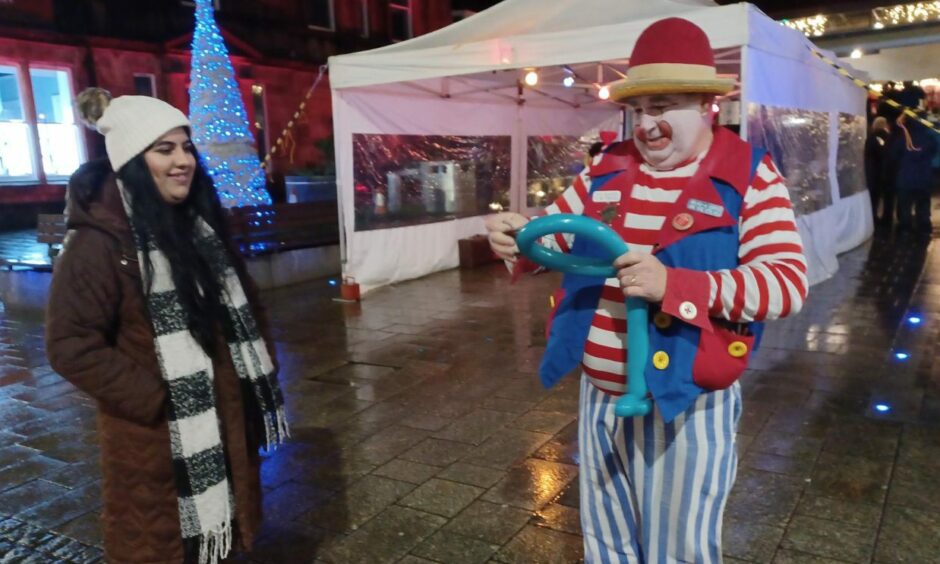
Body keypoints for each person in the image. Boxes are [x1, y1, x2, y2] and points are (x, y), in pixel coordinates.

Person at [486, 18, 808, 562]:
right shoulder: (606, 170)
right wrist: (519, 240)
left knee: (677, 548)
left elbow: (786, 284)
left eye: (665, 107)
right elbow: (559, 238)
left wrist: (673, 284)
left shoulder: (749, 175)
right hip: (601, 394)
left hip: (687, 400)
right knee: (606, 540)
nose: (649, 125)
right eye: (642, 109)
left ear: (707, 105)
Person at [45, 88, 288, 564]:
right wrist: (158, 397)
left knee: (215, 541)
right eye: (165, 149)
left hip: (223, 421)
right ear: (134, 160)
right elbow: (70, 343)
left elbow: (248, 303)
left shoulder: (196, 225)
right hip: (155, 438)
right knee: (163, 547)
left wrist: (261, 367)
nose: (184, 161)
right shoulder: (99, 243)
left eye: (186, 146)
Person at [891, 112, 939, 234]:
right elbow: (933, 151)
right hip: (924, 178)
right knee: (923, 205)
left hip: (906, 178)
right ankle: (923, 230)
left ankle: (905, 230)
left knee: (905, 207)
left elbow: (894, 155)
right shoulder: (929, 138)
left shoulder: (903, 137)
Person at [865, 116, 891, 224]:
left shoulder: (871, 138)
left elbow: (868, 153)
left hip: (873, 172)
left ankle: (873, 217)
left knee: (874, 197)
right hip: (887, 171)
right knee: (888, 196)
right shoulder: (889, 138)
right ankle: (887, 218)